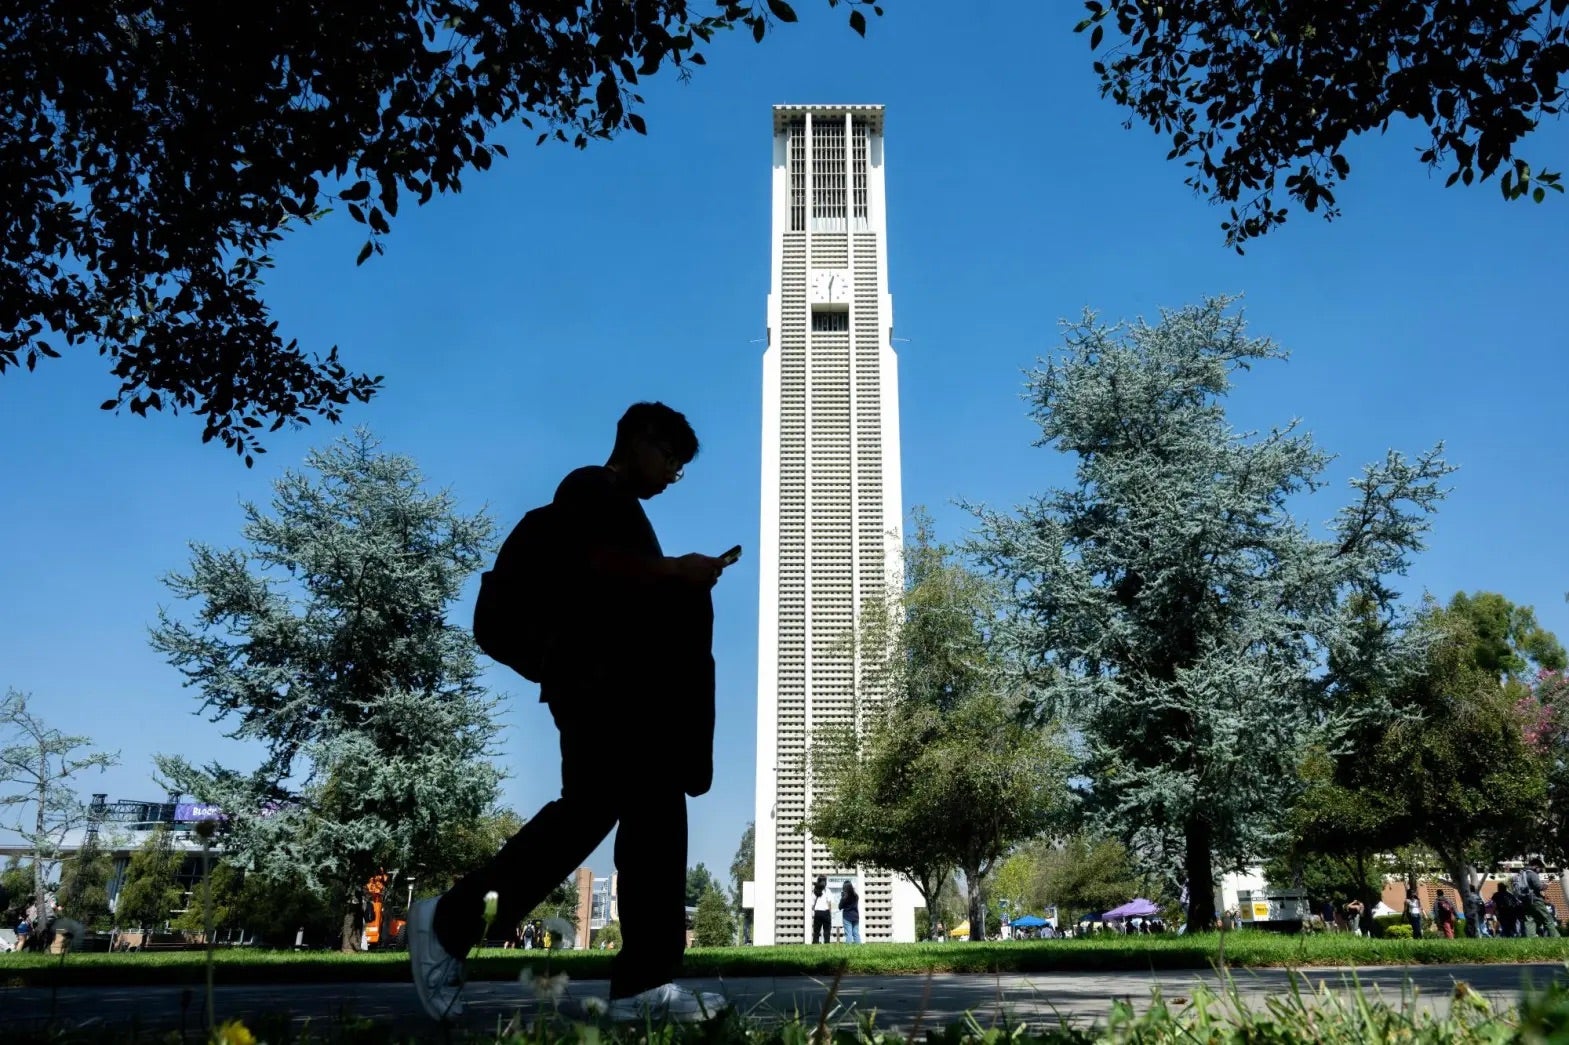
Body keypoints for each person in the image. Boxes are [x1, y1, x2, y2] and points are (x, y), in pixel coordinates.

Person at [408, 402, 733, 1023]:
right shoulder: (589, 487)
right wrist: (677, 571)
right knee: (631, 812)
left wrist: (683, 583)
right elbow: (595, 568)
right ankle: (455, 919)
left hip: (623, 691)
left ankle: (636, 984)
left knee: (615, 812)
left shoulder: (625, 510)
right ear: (640, 439)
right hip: (596, 686)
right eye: (670, 459)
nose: (671, 475)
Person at [811, 876, 832, 944]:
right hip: (826, 912)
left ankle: (815, 943)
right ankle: (827, 943)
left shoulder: (815, 891)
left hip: (817, 913)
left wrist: (814, 908)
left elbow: (812, 904)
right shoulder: (827, 890)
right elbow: (829, 903)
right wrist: (830, 913)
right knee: (827, 930)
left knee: (816, 931)